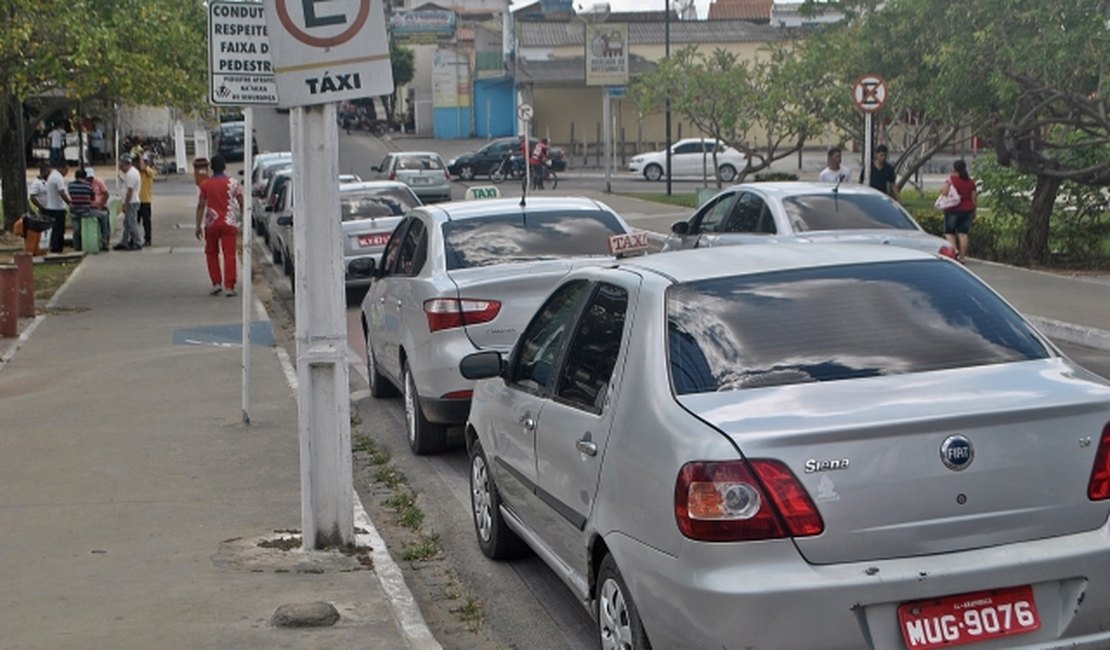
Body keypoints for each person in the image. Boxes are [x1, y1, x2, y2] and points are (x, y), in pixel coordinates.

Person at [194, 154, 244, 296]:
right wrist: (243, 218)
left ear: (211, 168)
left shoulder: (205, 185)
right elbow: (241, 201)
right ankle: (230, 286)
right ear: (224, 167)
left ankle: (216, 283)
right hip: (229, 222)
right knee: (229, 254)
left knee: (211, 253)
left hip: (211, 223)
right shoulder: (233, 183)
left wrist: (198, 225)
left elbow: (201, 205)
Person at [941, 159, 977, 263]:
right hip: (968, 210)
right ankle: (962, 257)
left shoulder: (951, 180)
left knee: (949, 233)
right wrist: (974, 211)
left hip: (953, 209)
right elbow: (973, 198)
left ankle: (955, 251)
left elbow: (944, 193)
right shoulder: (971, 182)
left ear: (954, 168)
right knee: (963, 234)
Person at [113, 154, 144, 251]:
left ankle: (138, 242)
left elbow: (129, 191)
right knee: (126, 223)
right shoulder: (131, 173)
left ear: (126, 164)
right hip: (131, 201)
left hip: (132, 202)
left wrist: (125, 204)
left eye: (121, 166)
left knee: (132, 223)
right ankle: (124, 241)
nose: (120, 168)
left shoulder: (131, 174)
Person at [44, 161, 73, 253]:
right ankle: (57, 248)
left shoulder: (52, 176)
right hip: (57, 208)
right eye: (66, 170)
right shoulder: (58, 177)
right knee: (58, 230)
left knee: (55, 229)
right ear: (62, 168)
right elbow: (62, 192)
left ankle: (55, 247)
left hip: (51, 207)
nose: (67, 172)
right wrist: (69, 203)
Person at [24, 164, 50, 255]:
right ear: (42, 171)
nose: (49, 173)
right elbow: (32, 196)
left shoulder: (47, 181)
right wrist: (40, 206)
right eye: (47, 171)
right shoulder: (36, 183)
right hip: (43, 209)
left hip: (50, 208)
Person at [68, 168, 96, 249]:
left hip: (74, 211)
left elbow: (71, 195)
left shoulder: (70, 185)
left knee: (76, 230)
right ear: (85, 177)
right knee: (103, 216)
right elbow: (93, 198)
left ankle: (77, 247)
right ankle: (104, 239)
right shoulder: (88, 185)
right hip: (86, 211)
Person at [85, 167, 112, 251]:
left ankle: (105, 240)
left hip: (100, 205)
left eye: (91, 178)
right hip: (90, 207)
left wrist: (101, 205)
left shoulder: (98, 182)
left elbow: (106, 194)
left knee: (105, 219)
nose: (90, 179)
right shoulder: (84, 183)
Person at [137, 153, 156, 246]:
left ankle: (148, 239)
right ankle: (135, 238)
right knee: (135, 221)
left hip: (145, 200)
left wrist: (140, 156)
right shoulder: (138, 172)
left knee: (146, 222)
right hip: (137, 200)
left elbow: (143, 167)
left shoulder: (150, 171)